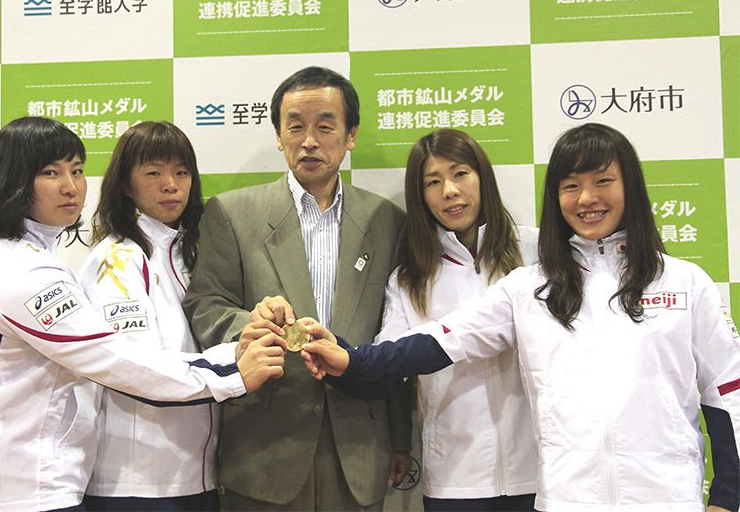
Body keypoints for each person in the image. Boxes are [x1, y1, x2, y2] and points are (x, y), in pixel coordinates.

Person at [301, 123, 740, 512]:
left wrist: (727, 495)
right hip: (566, 499)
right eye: (571, 186)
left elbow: (727, 392)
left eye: (603, 181)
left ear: (631, 187)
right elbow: (441, 340)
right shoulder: (529, 285)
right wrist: (351, 359)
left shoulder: (686, 283)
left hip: (666, 497)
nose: (587, 198)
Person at [0, 117, 286, 512]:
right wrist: (233, 370)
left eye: (77, 170)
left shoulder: (24, 256)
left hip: (42, 483)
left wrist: (244, 338)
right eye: (50, 173)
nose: (71, 186)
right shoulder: (32, 272)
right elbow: (120, 361)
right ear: (13, 181)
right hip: (38, 492)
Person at [182, 66, 411, 510]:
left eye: (325, 126)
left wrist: (400, 436)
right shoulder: (232, 213)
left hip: (360, 445)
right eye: (296, 126)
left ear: (350, 135)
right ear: (278, 135)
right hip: (265, 443)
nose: (309, 141)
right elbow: (206, 304)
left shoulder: (387, 221)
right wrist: (250, 326)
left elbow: (397, 332)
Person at [377, 128, 538, 511]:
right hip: (454, 480)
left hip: (540, 471)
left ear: (483, 177)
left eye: (460, 173)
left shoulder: (536, 253)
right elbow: (389, 361)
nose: (449, 191)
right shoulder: (409, 279)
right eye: (433, 182)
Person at [78, 121, 224, 510]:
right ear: (126, 185)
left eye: (182, 172)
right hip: (137, 481)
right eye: (154, 173)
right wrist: (236, 370)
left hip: (196, 472)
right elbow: (136, 368)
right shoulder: (119, 258)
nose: (171, 185)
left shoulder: (190, 253)